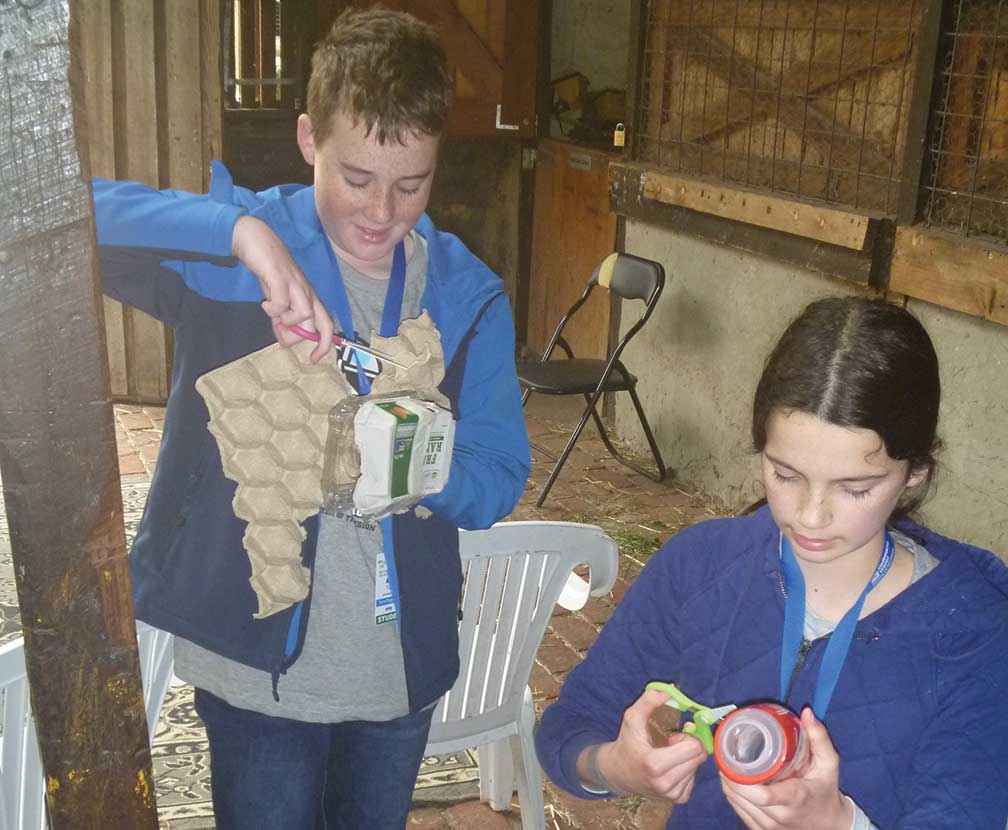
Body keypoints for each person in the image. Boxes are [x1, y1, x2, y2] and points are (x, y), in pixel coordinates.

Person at [92, 8, 530, 828]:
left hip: (394, 672)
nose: (381, 212)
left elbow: (500, 474)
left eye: (412, 184)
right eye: (356, 177)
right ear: (306, 139)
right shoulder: (235, 259)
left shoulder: (466, 298)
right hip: (257, 669)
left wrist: (425, 469)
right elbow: (63, 214)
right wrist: (238, 231)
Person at [535, 297, 1008, 828]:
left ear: (915, 471)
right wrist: (614, 767)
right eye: (785, 475)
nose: (810, 516)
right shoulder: (698, 568)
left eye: (856, 488)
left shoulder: (977, 634)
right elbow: (566, 728)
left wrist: (837, 824)